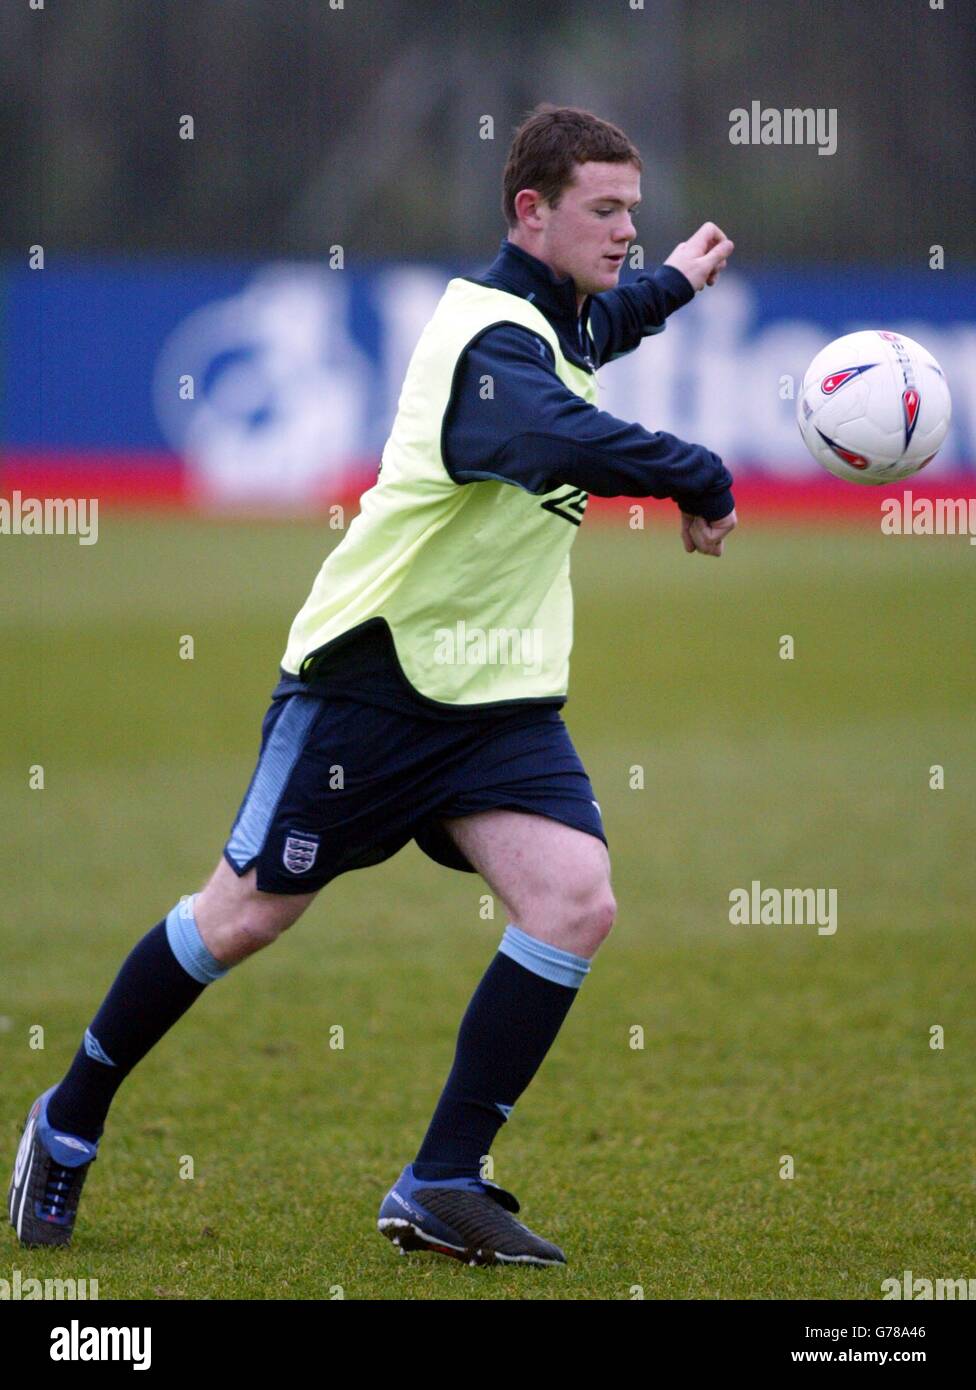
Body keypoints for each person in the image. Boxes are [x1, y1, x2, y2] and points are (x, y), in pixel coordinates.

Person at [9, 103, 736, 1268]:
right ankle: (70, 1118)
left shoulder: (553, 317)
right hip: (371, 686)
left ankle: (441, 1178)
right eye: (604, 212)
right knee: (243, 916)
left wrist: (674, 287)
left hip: (494, 705)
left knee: (572, 900)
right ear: (529, 212)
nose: (627, 234)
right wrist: (698, 473)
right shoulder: (488, 345)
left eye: (635, 213)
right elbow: (556, 433)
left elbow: (592, 332)